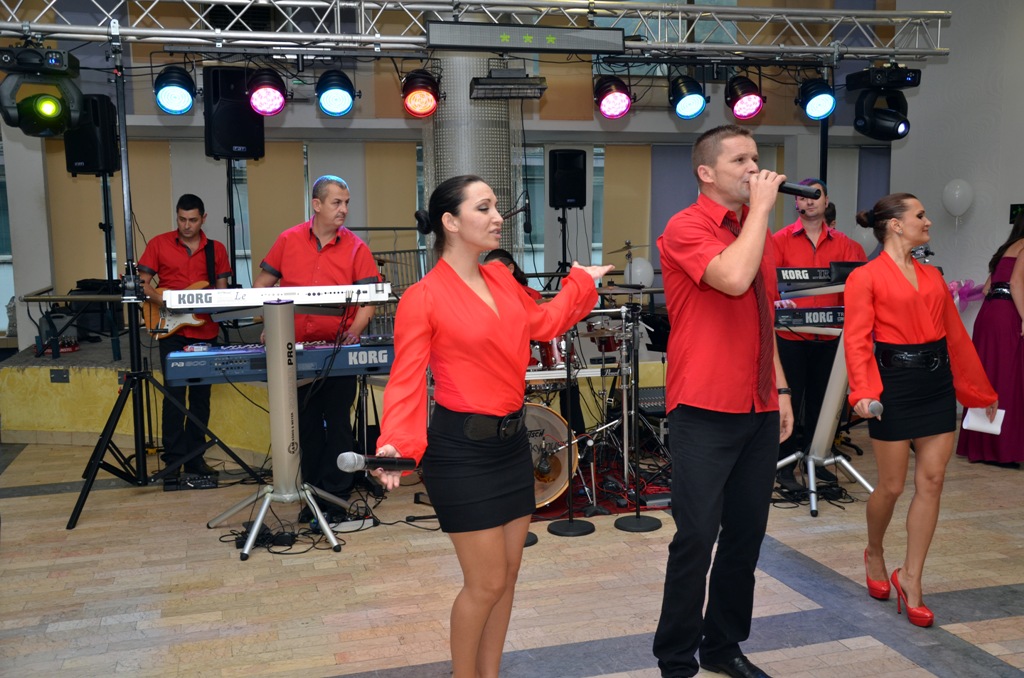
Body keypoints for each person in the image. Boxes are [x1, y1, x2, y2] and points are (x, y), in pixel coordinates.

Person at [371, 175, 612, 678]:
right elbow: (407, 379)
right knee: (484, 584)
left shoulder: (501, 279)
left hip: (511, 447)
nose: (498, 217)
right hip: (461, 453)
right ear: (450, 222)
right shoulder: (423, 297)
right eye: (484, 208)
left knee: (507, 576)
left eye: (496, 206)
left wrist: (581, 283)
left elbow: (543, 324)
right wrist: (396, 443)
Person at [653, 125, 793, 678]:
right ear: (706, 173)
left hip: (758, 406)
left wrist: (780, 389)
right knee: (695, 538)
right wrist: (761, 213)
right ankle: (676, 659)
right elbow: (733, 278)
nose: (754, 168)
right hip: (705, 408)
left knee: (745, 538)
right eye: (740, 160)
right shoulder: (686, 226)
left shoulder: (753, 229)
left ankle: (723, 646)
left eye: (756, 158)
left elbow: (763, 317)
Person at [846, 193, 998, 628]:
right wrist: (863, 392)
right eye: (920, 215)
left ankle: (911, 578)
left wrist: (979, 391)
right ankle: (875, 552)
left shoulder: (932, 276)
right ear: (895, 225)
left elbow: (955, 338)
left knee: (932, 481)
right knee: (891, 486)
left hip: (936, 385)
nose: (928, 221)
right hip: (893, 386)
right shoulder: (865, 277)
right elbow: (857, 340)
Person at [253, 175, 381, 521]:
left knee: (338, 424)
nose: (344, 209)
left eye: (347, 202)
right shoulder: (288, 240)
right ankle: (311, 494)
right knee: (303, 426)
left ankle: (336, 496)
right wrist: (270, 324)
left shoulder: (357, 248)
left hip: (337, 353)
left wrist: (353, 332)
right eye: (337, 202)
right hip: (292, 352)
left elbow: (369, 301)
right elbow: (262, 285)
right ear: (317, 204)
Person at [772, 181, 866, 492]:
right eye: (803, 197)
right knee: (788, 401)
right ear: (795, 204)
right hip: (790, 337)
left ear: (826, 201)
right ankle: (784, 466)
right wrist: (776, 301)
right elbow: (766, 285)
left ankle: (819, 462)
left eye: (816, 195)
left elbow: (861, 290)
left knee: (824, 406)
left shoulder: (848, 246)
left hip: (831, 340)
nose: (809, 201)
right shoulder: (777, 241)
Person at [139, 193, 232, 476]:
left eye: (192, 220)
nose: (187, 225)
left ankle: (195, 458)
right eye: (181, 219)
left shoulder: (216, 250)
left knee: (201, 399)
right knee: (174, 396)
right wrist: (163, 301)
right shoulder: (159, 244)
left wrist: (223, 302)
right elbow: (141, 284)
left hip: (205, 331)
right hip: (171, 330)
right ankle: (173, 460)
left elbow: (222, 292)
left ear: (203, 219)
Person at [484, 248, 587, 435]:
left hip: (524, 365)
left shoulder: (530, 296)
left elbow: (544, 331)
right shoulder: (483, 296)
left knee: (568, 377)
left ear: (510, 269)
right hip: (500, 367)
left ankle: (576, 440)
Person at [956, 213, 1024, 467]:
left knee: (987, 377)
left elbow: (987, 288)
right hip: (1007, 315)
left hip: (989, 315)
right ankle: (1002, 451)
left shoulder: (1006, 249)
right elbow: (1016, 284)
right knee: (1008, 377)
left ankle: (981, 446)